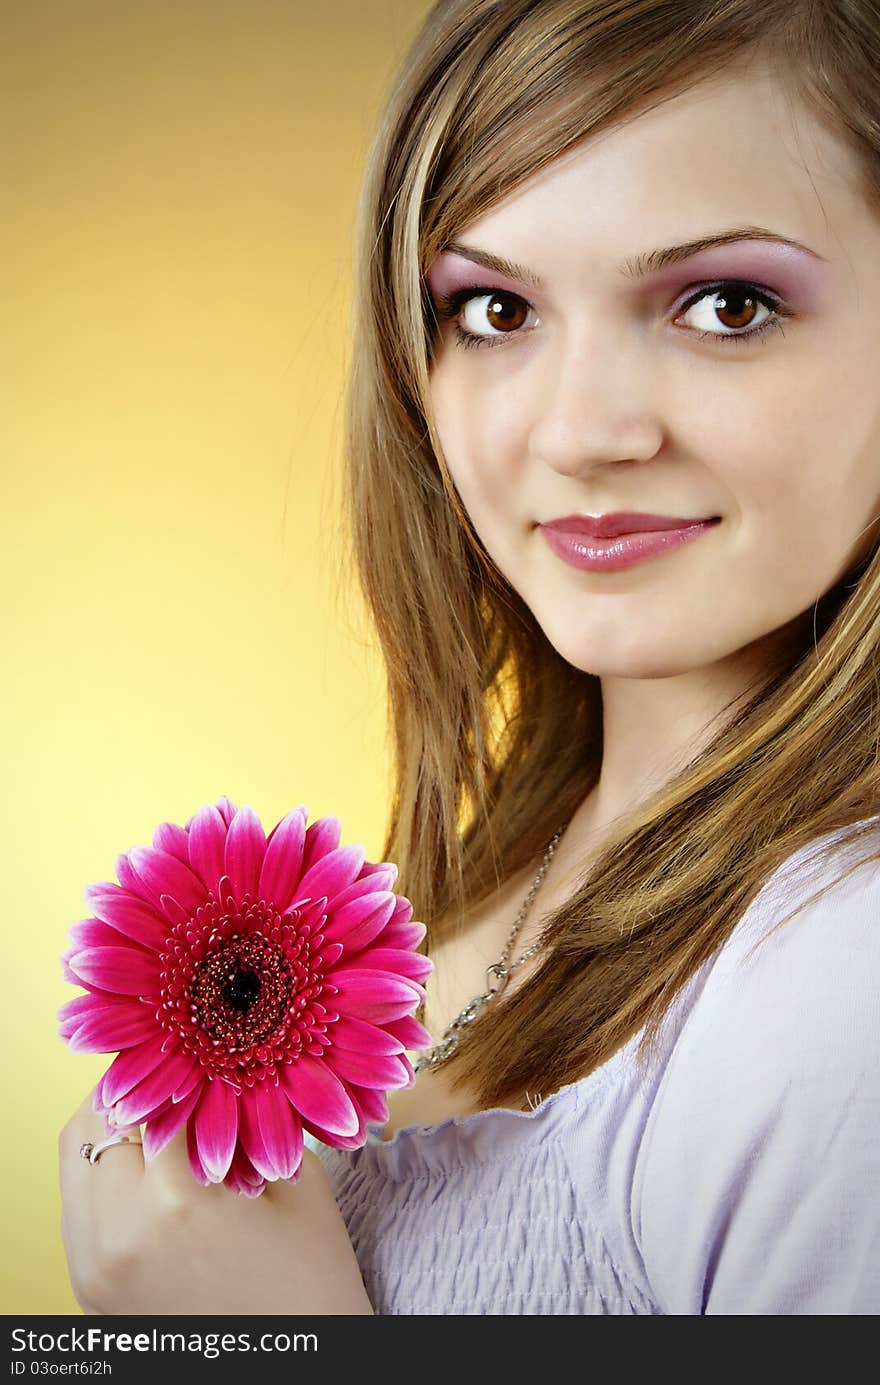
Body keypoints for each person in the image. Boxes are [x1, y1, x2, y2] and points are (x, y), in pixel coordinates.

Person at [60, 0, 880, 1315]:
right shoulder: (492, 873)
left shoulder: (843, 978)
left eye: (728, 305)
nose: (581, 430)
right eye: (497, 308)